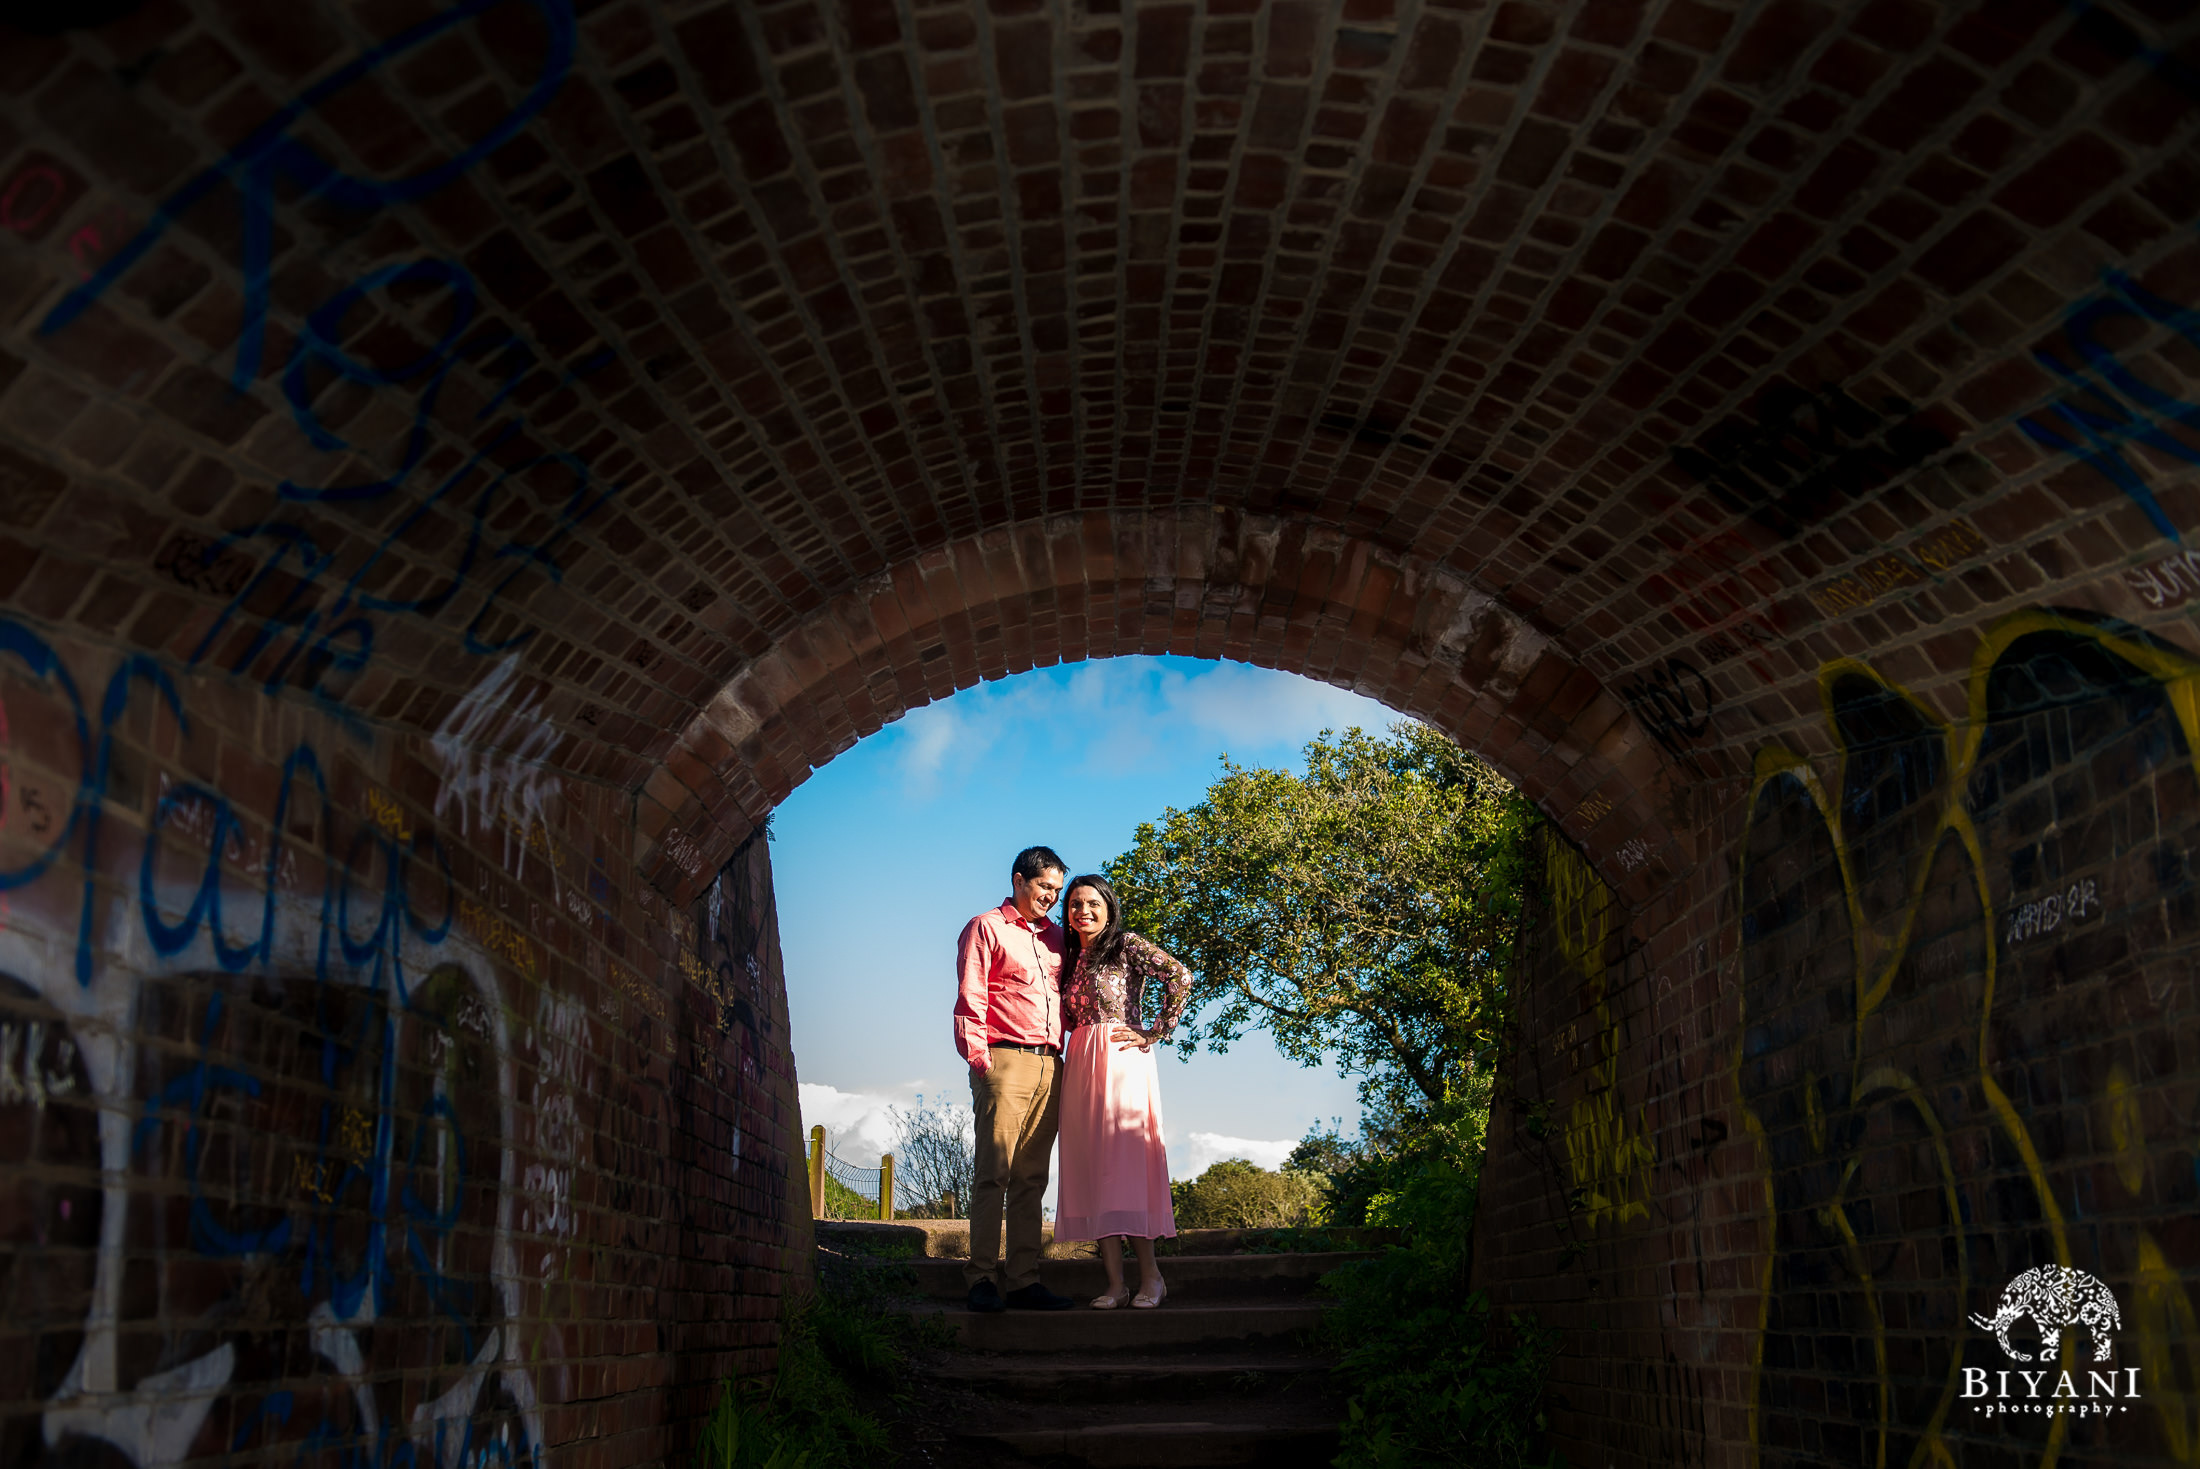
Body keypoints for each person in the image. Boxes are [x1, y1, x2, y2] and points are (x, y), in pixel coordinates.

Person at [1053, 873, 1193, 1309]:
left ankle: (1152, 1279)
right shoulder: (1069, 955)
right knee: (1094, 1167)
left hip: (1120, 1058)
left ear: (1109, 907)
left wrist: (1154, 1031)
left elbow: (1181, 976)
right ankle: (1115, 1284)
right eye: (1075, 904)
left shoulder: (1126, 944)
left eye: (1092, 903)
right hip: (1080, 1063)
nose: (1083, 911)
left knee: (1125, 1166)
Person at [952, 845, 1076, 1313]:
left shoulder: (1058, 938)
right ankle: (981, 1277)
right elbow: (971, 994)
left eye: (1057, 890)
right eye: (1045, 886)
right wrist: (980, 1060)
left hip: (1051, 1063)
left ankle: (1024, 1281)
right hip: (1004, 1059)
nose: (1051, 896)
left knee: (1032, 1178)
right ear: (1018, 880)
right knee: (994, 1173)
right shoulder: (986, 926)